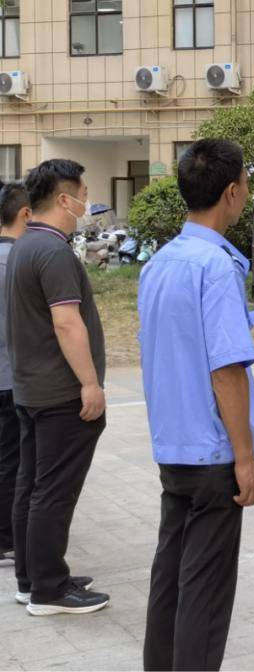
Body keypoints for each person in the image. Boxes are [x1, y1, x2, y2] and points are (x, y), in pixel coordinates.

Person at [138, 139, 254, 671]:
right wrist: (244, 457)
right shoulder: (215, 267)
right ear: (233, 193)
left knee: (170, 574)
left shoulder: (161, 261)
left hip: (173, 445)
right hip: (213, 454)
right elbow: (226, 369)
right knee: (206, 592)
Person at [7, 159, 109, 615]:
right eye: (83, 192)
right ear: (65, 199)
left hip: (32, 389)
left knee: (32, 485)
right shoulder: (52, 251)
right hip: (60, 393)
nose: (87, 201)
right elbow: (67, 323)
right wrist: (90, 383)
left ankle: (33, 577)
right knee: (53, 490)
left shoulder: (25, 245)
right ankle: (49, 589)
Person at [0, 181, 31, 567]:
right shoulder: (21, 263)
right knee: (13, 461)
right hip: (12, 379)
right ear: (25, 214)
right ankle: (7, 538)